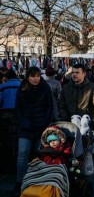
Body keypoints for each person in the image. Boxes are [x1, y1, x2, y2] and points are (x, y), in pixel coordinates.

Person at [13, 66, 54, 196]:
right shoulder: (22, 88)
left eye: (37, 76)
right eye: (33, 76)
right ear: (28, 77)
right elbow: (18, 107)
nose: (36, 79)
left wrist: (46, 122)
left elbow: (50, 106)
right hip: (25, 127)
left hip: (41, 126)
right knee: (22, 154)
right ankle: (20, 182)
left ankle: (37, 181)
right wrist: (22, 121)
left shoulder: (45, 87)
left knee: (40, 154)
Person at [59, 63, 94, 128]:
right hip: (70, 122)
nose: (74, 74)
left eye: (77, 72)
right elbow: (61, 105)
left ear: (84, 74)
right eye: (73, 72)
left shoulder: (92, 87)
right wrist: (64, 118)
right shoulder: (66, 88)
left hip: (87, 122)